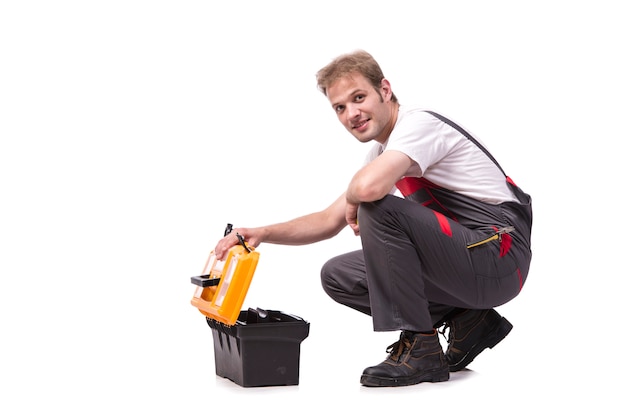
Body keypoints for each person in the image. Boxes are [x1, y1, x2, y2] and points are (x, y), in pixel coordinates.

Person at [214, 50, 532, 387]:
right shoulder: (381, 154)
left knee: (375, 205)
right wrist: (260, 232)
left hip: (499, 257)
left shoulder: (419, 124)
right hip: (467, 262)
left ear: (385, 89)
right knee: (340, 274)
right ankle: (470, 320)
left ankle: (421, 349)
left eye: (359, 98)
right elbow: (327, 220)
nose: (352, 113)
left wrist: (358, 196)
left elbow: (367, 190)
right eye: (340, 107)